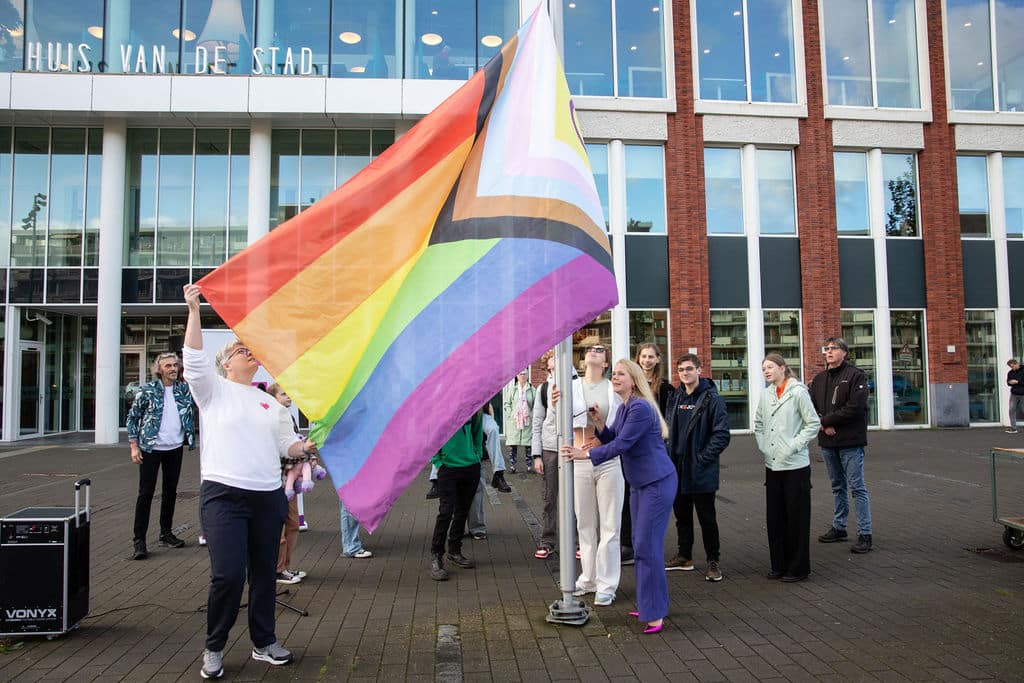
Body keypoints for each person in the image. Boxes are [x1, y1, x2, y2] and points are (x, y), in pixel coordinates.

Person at [183, 283, 310, 678]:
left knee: (263, 575)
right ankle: (214, 646)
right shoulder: (213, 391)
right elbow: (192, 359)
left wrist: (306, 445)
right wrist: (193, 310)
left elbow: (286, 445)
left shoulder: (270, 402)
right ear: (226, 363)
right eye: (241, 350)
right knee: (228, 574)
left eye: (250, 350)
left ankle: (264, 642)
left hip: (267, 496)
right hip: (223, 496)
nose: (249, 353)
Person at [562, 359, 676, 635]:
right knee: (640, 546)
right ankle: (650, 604)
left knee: (647, 547)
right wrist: (599, 422)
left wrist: (585, 453)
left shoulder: (639, 408)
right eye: (615, 374)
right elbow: (615, 436)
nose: (614, 378)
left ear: (634, 380)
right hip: (641, 484)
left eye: (621, 374)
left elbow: (622, 444)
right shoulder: (627, 406)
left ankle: (655, 612)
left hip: (657, 484)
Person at [754, 353, 820, 583]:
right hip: (772, 464)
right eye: (763, 368)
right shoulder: (765, 394)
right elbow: (759, 423)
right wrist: (764, 446)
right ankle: (778, 565)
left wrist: (793, 446)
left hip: (795, 466)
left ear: (783, 368)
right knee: (775, 517)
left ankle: (798, 567)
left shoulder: (798, 392)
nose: (766, 371)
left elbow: (813, 423)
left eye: (770, 367)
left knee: (797, 518)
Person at [664, 354, 731, 581]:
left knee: (707, 518)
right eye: (681, 369)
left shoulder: (712, 399)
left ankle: (713, 561)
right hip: (677, 468)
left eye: (689, 369)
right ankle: (685, 556)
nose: (685, 373)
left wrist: (703, 458)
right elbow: (667, 430)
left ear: (699, 370)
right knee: (682, 516)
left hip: (700, 468)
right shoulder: (675, 397)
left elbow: (721, 434)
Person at [126, 352, 196, 560]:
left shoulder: (183, 389)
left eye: (175, 365)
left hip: (174, 448)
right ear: (159, 369)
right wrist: (134, 446)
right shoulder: (147, 391)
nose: (173, 369)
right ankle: (139, 540)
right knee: (145, 493)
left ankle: (166, 533)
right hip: (151, 448)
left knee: (170, 492)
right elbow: (132, 418)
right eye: (168, 366)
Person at [809, 337, 873, 554]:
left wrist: (828, 421)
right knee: (838, 486)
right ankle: (840, 527)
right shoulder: (819, 379)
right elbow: (811, 407)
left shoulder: (856, 376)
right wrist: (823, 424)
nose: (828, 352)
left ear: (844, 353)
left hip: (850, 442)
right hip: (828, 442)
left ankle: (865, 533)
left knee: (857, 487)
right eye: (826, 349)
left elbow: (856, 407)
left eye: (833, 349)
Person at [571, 339, 623, 606]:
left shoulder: (614, 389)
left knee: (610, 525)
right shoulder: (569, 387)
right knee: (585, 524)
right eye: (589, 349)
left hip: (608, 461)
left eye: (600, 350)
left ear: (606, 362)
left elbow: (622, 425)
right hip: (579, 460)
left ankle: (607, 584)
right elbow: (555, 422)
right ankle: (588, 579)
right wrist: (557, 404)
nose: (593, 351)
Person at [624, 342, 674, 565]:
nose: (646, 360)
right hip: (634, 453)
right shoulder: (630, 388)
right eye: (643, 356)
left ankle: (650, 549)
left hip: (655, 450)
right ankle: (630, 544)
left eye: (650, 357)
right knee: (631, 500)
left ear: (658, 360)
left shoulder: (665, 389)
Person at [429, 409, 484, 581]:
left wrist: (477, 456)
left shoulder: (474, 406)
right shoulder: (440, 405)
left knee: (462, 511)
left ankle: (454, 550)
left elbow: (477, 431)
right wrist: (438, 461)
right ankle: (437, 555)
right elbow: (430, 435)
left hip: (470, 466)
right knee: (446, 511)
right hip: (448, 466)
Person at [531, 352, 558, 558]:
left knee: (576, 497)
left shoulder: (577, 385)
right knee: (549, 497)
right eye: (552, 359)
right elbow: (537, 424)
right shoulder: (543, 389)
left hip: (572, 447)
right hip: (550, 449)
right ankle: (548, 540)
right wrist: (536, 455)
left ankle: (576, 541)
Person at [503, 370, 535, 473]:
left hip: (527, 421)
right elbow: (506, 404)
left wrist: (532, 415)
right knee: (513, 446)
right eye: (521, 374)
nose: (523, 376)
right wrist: (510, 414)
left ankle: (529, 466)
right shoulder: (513, 390)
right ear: (517, 376)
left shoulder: (532, 390)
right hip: (514, 421)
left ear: (527, 376)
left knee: (529, 446)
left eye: (525, 374)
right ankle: (512, 466)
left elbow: (536, 405)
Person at [1006, 359, 1024, 434]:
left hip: (1023, 393)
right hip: (1014, 394)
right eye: (1010, 367)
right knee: (1011, 410)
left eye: (1013, 366)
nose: (1012, 368)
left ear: (1017, 364)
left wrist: (1017, 382)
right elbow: (1008, 382)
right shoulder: (1010, 373)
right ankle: (1014, 428)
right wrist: (1010, 382)